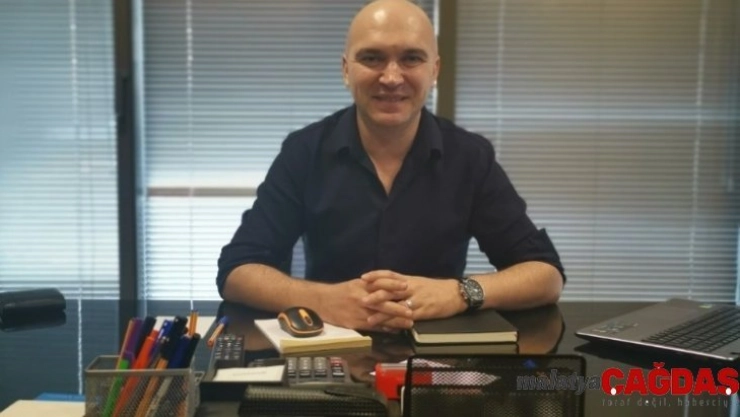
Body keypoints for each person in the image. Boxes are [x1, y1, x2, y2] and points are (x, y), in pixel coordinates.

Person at [217, 0, 564, 332]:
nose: (392, 77)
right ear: (346, 70)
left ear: (434, 70)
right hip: (331, 355)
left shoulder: (470, 157)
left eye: (411, 58)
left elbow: (545, 275)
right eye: (372, 58)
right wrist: (324, 300)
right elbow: (237, 271)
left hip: (436, 361)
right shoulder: (304, 151)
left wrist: (459, 292)